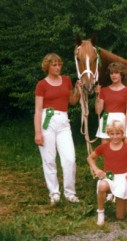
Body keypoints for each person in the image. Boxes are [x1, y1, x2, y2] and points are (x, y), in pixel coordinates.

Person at [34, 53, 81, 205]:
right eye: (54, 65)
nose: (57, 67)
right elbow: (38, 110)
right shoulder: (42, 84)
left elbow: (73, 101)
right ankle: (54, 193)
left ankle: (70, 193)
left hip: (63, 121)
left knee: (70, 158)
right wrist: (38, 133)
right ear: (47, 66)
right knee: (49, 160)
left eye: (59, 64)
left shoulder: (66, 80)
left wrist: (78, 90)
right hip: (47, 120)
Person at [87, 120, 127, 226]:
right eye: (112, 134)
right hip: (109, 177)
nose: (115, 137)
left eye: (118, 133)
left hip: (122, 179)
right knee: (101, 186)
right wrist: (96, 170)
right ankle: (100, 212)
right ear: (108, 134)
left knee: (120, 217)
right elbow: (90, 158)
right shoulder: (104, 147)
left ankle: (125, 203)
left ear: (123, 134)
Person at [95, 62, 127, 144]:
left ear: (121, 74)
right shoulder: (104, 90)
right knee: (106, 149)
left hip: (121, 120)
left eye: (116, 73)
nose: (113, 75)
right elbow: (98, 111)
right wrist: (97, 95)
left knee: (121, 149)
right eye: (111, 73)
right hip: (107, 120)